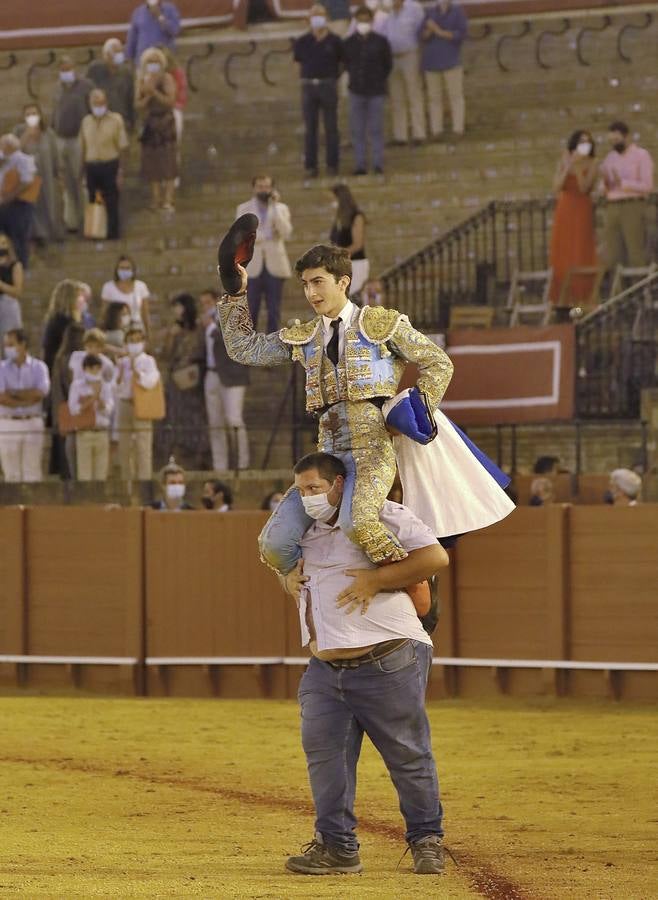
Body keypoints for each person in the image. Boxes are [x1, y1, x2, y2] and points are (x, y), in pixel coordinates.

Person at [218, 243, 453, 569]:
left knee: (359, 524)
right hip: (327, 453)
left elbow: (438, 363)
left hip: (372, 447)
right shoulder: (305, 335)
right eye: (305, 284)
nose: (310, 292)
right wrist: (235, 293)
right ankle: (307, 589)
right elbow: (245, 349)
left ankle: (412, 582)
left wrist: (414, 415)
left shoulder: (380, 324)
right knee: (274, 543)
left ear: (343, 282)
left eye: (317, 282)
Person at [281, 451, 448, 876]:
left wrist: (375, 580)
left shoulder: (379, 514)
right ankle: (336, 847)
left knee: (408, 755)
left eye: (314, 488)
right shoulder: (303, 530)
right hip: (324, 664)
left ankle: (427, 842)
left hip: (387, 655)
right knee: (325, 757)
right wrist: (285, 577)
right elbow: (295, 571)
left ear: (338, 484)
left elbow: (434, 559)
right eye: (301, 491)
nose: (308, 498)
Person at [200, 289, 250, 471]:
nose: (205, 307)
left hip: (232, 375)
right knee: (215, 422)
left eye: (207, 302)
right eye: (203, 304)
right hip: (212, 374)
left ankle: (242, 463)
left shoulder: (230, 316)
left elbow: (234, 340)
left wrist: (212, 328)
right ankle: (219, 466)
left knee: (233, 419)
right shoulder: (205, 322)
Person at [236, 175, 293, 333]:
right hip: (253, 266)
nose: (263, 190)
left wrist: (274, 206)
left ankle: (273, 350)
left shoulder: (281, 208)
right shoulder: (243, 209)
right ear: (254, 188)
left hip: (275, 265)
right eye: (260, 186)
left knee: (274, 310)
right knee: (251, 309)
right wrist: (266, 236)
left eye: (266, 186)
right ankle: (251, 350)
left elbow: (286, 232)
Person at [549, 129, 599, 306]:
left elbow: (585, 187)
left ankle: (581, 305)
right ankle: (562, 304)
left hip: (581, 208)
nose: (584, 145)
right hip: (565, 208)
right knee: (562, 252)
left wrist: (577, 167)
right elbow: (556, 187)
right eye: (581, 141)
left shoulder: (593, 162)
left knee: (580, 250)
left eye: (587, 142)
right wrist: (566, 166)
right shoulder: (565, 160)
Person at [293, 5, 344, 178]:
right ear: (308, 19)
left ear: (326, 18)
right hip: (309, 87)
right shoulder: (302, 41)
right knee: (310, 128)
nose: (317, 18)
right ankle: (311, 166)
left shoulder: (335, 40)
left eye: (320, 15)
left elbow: (342, 62)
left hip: (328, 85)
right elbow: (298, 62)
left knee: (331, 127)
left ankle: (332, 165)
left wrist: (332, 78)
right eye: (314, 15)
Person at [158, 293, 207, 469]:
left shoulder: (198, 328)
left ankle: (197, 453)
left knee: (193, 417)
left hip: (192, 380)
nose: (175, 311)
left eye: (178, 306)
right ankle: (176, 453)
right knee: (175, 416)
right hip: (175, 381)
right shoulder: (174, 330)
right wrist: (170, 337)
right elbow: (166, 355)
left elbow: (199, 350)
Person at [343, 6, 392, 176]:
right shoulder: (348, 43)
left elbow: (387, 65)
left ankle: (378, 163)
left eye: (366, 20)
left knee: (376, 128)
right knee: (357, 129)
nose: (363, 23)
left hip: (376, 90)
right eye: (360, 20)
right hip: (356, 90)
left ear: (371, 21)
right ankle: (360, 165)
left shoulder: (381, 41)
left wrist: (378, 78)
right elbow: (346, 63)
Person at [600, 121, 654, 271]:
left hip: (633, 206)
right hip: (612, 206)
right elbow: (603, 183)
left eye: (617, 140)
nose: (614, 144)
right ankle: (620, 291)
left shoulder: (641, 155)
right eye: (611, 141)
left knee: (635, 251)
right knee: (612, 252)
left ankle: (640, 291)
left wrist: (623, 183)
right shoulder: (610, 158)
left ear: (626, 137)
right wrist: (604, 185)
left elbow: (647, 185)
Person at [0, 328, 50, 482]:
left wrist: (13, 393)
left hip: (32, 421)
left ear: (23, 344)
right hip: (8, 422)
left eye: (11, 344)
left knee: (32, 471)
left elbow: (40, 392)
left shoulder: (39, 367)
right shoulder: (1, 368)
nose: (7, 348)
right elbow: (2, 396)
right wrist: (26, 399)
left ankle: (32, 506)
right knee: (11, 472)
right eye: (6, 344)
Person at [80, 89, 129, 240]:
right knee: (93, 200)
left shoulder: (116, 120)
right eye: (95, 103)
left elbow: (122, 147)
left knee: (112, 201)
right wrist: (81, 172)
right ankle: (95, 232)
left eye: (100, 103)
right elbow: (82, 147)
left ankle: (113, 234)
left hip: (110, 164)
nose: (98, 106)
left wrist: (121, 171)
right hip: (92, 165)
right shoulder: (86, 121)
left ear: (106, 102)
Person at [51, 56, 92, 233]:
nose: (67, 73)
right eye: (63, 70)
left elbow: (91, 109)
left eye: (69, 69)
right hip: (60, 138)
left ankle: (88, 219)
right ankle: (72, 222)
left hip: (79, 138)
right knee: (66, 182)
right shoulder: (56, 88)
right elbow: (54, 111)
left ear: (74, 68)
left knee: (81, 180)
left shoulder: (86, 86)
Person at [14, 103, 65, 245]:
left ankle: (48, 234)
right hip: (26, 178)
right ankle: (33, 235)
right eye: (28, 114)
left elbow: (56, 155)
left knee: (48, 203)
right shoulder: (18, 131)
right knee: (30, 206)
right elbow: (13, 152)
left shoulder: (48, 133)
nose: (32, 117)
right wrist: (26, 135)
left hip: (46, 175)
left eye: (34, 113)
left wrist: (59, 175)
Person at [116, 322, 161, 480]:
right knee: (124, 447)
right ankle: (126, 483)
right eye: (131, 340)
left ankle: (144, 483)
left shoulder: (148, 361)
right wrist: (119, 375)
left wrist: (139, 375)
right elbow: (116, 386)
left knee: (143, 447)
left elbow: (152, 380)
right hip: (125, 404)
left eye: (137, 340)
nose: (134, 344)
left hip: (141, 406)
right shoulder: (122, 362)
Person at [136, 47, 178, 212]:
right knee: (152, 163)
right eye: (149, 62)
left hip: (165, 121)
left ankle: (169, 199)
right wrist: (146, 95)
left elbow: (170, 101)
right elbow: (137, 104)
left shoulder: (167, 78)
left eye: (156, 61)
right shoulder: (140, 79)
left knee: (168, 161)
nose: (153, 65)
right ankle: (156, 198)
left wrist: (154, 92)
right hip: (150, 122)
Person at [379, 0, 426, 146]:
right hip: (392, 58)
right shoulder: (387, 13)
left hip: (410, 55)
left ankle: (419, 134)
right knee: (397, 98)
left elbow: (422, 31)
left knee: (414, 95)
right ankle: (401, 136)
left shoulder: (414, 8)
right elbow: (383, 34)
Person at [420, 0, 467, 141]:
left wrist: (439, 31)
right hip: (431, 62)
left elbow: (461, 34)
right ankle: (436, 130)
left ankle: (458, 129)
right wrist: (429, 30)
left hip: (451, 61)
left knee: (455, 96)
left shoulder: (457, 11)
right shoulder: (430, 12)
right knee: (434, 98)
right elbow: (421, 36)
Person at [68, 353, 114, 481]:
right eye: (91, 368)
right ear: (84, 369)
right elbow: (73, 410)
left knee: (101, 476)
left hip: (101, 432)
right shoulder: (77, 386)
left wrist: (99, 399)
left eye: (97, 369)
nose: (94, 372)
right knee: (84, 475)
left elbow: (109, 409)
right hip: (84, 433)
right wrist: (91, 399)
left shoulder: (105, 386)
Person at [50, 321, 85, 480]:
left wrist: (58, 419)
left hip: (71, 412)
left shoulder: (60, 360)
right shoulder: (67, 361)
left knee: (70, 462)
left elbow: (57, 394)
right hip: (77, 411)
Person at [0, 134, 38, 268]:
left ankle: (22, 268)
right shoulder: (2, 158)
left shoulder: (23, 159)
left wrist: (9, 197)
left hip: (19, 205)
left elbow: (27, 181)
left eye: (4, 144)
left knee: (19, 237)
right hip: (2, 204)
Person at [87, 38, 136, 134]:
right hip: (99, 123)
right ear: (107, 54)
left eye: (121, 52)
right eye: (116, 52)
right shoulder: (95, 70)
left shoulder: (126, 73)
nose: (120, 55)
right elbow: (88, 94)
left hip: (122, 122)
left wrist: (133, 123)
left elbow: (131, 98)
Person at [329, 184, 369, 295]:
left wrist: (339, 254)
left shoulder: (356, 217)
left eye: (333, 200)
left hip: (356, 263)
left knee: (354, 297)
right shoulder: (338, 219)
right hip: (342, 265)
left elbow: (358, 244)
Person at [101, 255, 152, 335]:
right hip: (116, 330)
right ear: (117, 270)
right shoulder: (108, 287)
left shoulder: (141, 286)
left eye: (127, 268)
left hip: (136, 329)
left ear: (133, 270)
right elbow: (104, 313)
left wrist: (148, 333)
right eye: (122, 268)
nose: (124, 270)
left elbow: (145, 313)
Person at [126, 0, 181, 65]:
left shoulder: (170, 9)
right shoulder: (138, 12)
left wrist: (159, 16)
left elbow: (174, 30)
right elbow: (132, 37)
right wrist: (128, 57)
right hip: (143, 60)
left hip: (164, 59)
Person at [162, 47, 187, 178]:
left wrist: (172, 105)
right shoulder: (150, 75)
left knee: (173, 146)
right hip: (156, 113)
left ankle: (173, 176)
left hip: (173, 111)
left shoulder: (177, 73)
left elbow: (181, 96)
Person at [0, 233, 23, 352]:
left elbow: (17, 291)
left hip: (8, 305)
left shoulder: (15, 265)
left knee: (10, 340)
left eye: (3, 243)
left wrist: (2, 285)